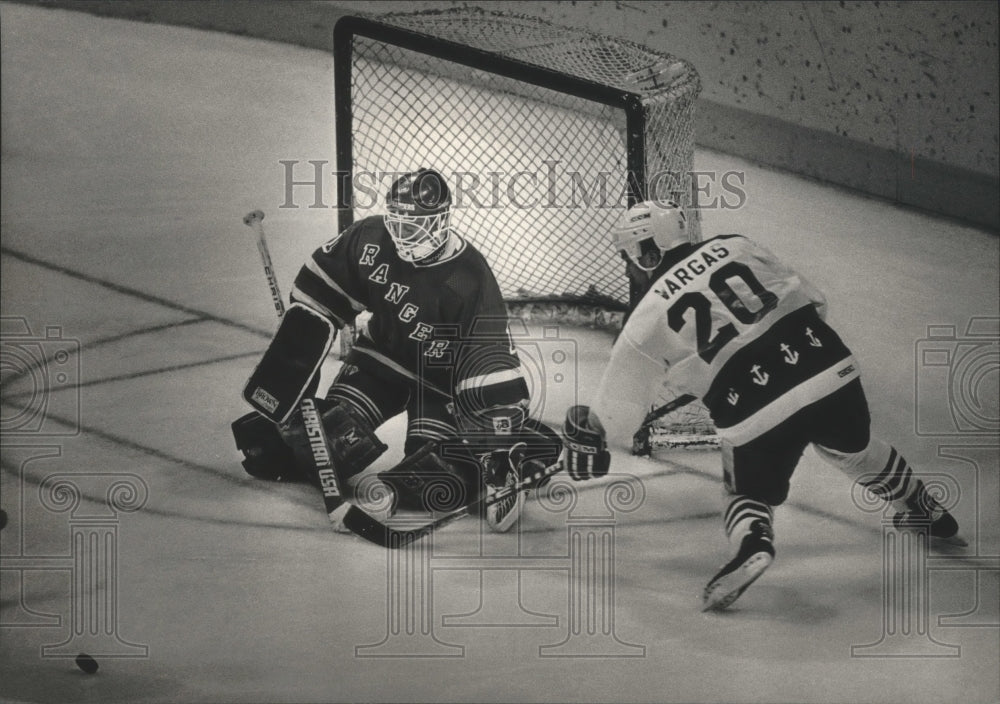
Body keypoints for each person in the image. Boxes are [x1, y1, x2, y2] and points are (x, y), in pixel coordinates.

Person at [560, 199, 964, 611]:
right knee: (853, 449)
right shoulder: (738, 245)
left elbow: (614, 419)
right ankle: (918, 502)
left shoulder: (643, 319)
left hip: (754, 412)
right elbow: (816, 302)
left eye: (629, 258)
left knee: (745, 494)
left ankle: (753, 541)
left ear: (647, 252)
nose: (628, 269)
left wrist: (583, 433)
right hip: (831, 368)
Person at [232, 168, 560, 533]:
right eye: (398, 222)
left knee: (435, 477)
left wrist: (493, 442)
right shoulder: (372, 238)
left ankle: (516, 452)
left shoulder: (466, 278)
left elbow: (486, 357)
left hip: (441, 385)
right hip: (381, 360)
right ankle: (284, 443)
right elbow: (320, 292)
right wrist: (298, 354)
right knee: (332, 439)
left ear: (440, 221)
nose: (402, 235)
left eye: (414, 225)